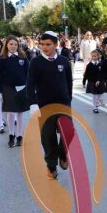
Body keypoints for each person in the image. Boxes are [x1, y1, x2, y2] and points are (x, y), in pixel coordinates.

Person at [26, 31, 73, 179]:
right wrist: (33, 104)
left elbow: (68, 82)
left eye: (48, 44)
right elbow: (30, 85)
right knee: (48, 138)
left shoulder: (64, 61)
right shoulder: (36, 62)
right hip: (44, 106)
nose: (44, 47)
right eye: (42, 44)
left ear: (56, 45)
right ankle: (51, 165)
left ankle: (63, 154)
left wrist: (69, 98)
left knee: (69, 133)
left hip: (63, 104)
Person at [0, 35, 30, 148]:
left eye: (15, 44)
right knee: (10, 113)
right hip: (8, 88)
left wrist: (31, 86)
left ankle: (19, 136)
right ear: (6, 45)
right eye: (11, 44)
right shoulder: (2, 59)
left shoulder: (23, 57)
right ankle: (11, 135)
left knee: (20, 113)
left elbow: (29, 72)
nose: (13, 46)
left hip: (21, 88)